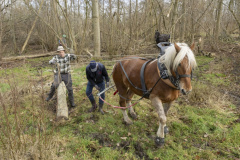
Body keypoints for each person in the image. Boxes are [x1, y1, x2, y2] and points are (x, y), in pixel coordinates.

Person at [46, 46, 76, 111]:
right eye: (59, 52)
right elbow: (50, 61)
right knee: (54, 85)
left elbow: (74, 58)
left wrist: (73, 55)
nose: (61, 53)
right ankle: (50, 96)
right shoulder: (56, 57)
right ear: (58, 52)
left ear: (64, 51)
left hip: (66, 74)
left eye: (62, 52)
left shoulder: (68, 56)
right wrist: (52, 62)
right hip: (58, 74)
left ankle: (72, 102)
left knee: (70, 89)